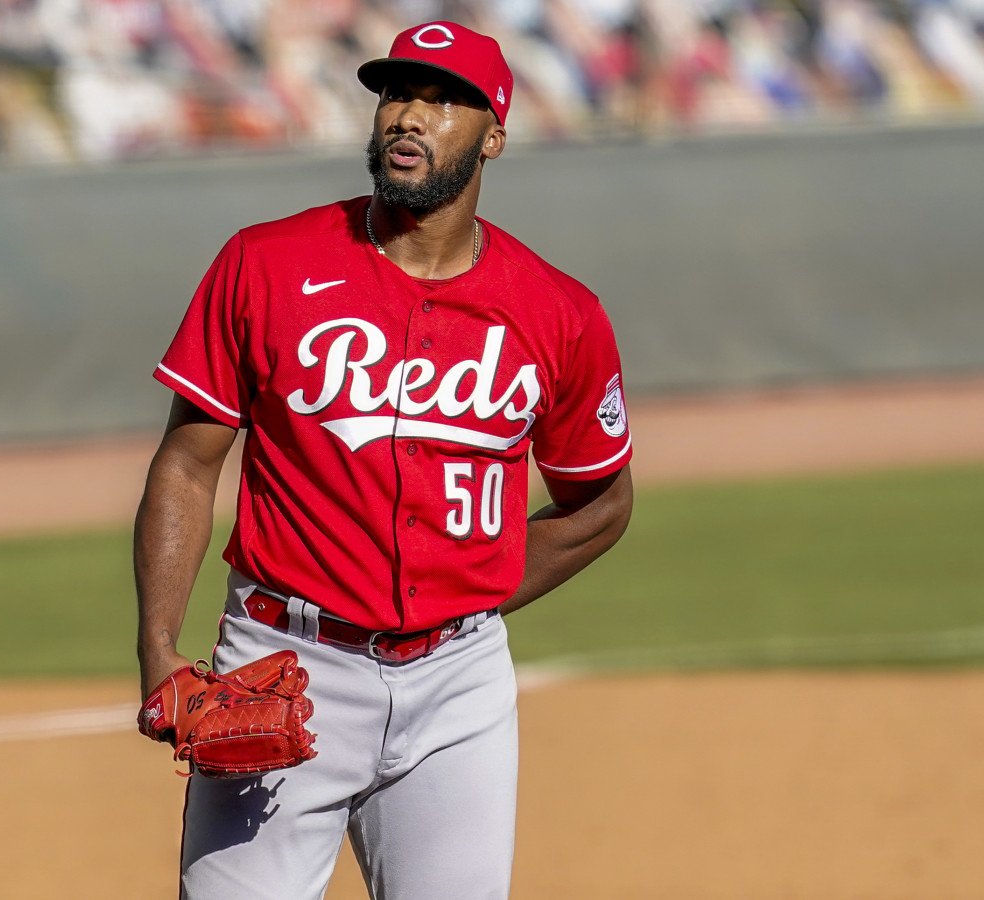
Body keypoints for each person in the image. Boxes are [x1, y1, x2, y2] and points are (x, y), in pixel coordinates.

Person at [134, 20, 634, 900]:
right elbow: (186, 462)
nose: (411, 115)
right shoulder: (265, 264)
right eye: (398, 92)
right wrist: (159, 643)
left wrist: (467, 591)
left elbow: (601, 502)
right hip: (285, 662)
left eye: (446, 100)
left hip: (460, 688)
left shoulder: (558, 312)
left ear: (497, 134)